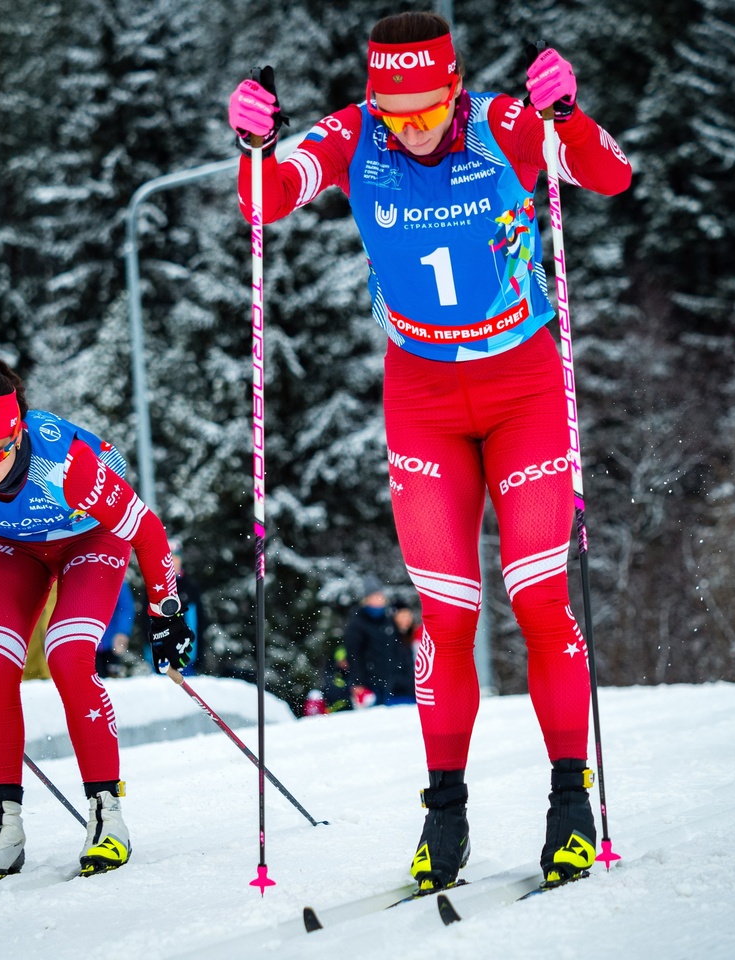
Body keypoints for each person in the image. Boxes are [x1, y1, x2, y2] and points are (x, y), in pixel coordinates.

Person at [228, 12, 631, 891]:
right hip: (422, 400)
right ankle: (443, 816)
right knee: (445, 615)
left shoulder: (504, 125)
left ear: (455, 89)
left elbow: (611, 173)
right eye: (394, 112)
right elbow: (265, 199)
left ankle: (572, 804)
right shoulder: (355, 132)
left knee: (537, 600)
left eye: (426, 111)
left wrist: (568, 116)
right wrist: (254, 141)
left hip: (523, 387)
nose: (410, 129)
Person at [0, 358, 196, 882]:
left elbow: (147, 531)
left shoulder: (67, 465)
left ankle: (108, 815)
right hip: (10, 545)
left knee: (67, 654)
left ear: (17, 433)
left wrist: (164, 614)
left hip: (89, 539)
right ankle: (4, 825)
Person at [141, 539, 206, 675]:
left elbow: (200, 621)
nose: (172, 562)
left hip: (186, 654)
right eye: (169, 558)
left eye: (175, 557)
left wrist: (200, 653)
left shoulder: (190, 587)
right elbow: (145, 620)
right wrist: (151, 644)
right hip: (160, 655)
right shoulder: (153, 586)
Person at [343, 577, 403, 707]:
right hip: (368, 683)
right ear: (367, 599)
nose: (380, 599)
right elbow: (354, 654)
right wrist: (358, 682)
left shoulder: (388, 619)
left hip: (388, 680)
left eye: (380, 595)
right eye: (375, 596)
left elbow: (394, 649)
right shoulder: (357, 622)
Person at [97, 581, 136, 677]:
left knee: (113, 683)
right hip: (87, 642)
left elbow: (126, 608)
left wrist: (122, 632)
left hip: (111, 641)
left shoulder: (117, 578)